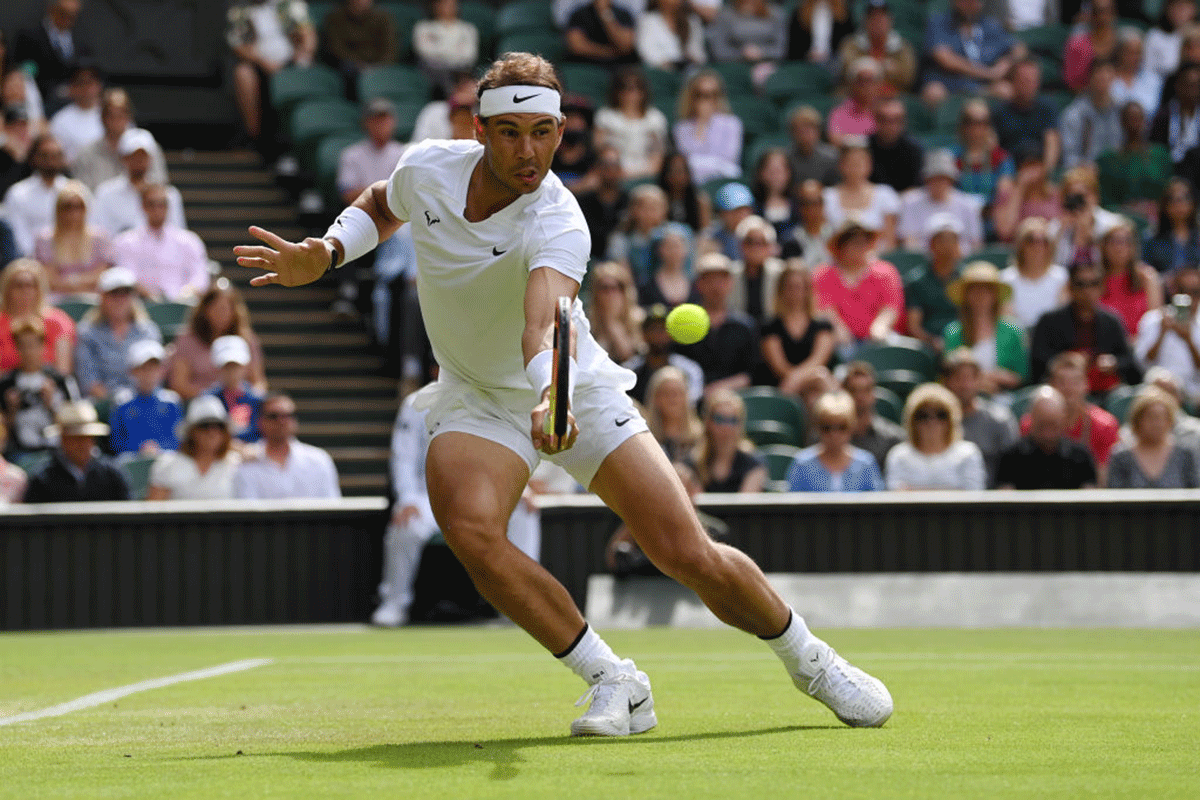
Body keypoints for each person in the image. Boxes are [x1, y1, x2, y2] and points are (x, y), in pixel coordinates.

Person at [235, 52, 893, 734]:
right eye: (513, 132)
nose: (530, 151)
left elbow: (544, 318)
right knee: (471, 530)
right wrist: (329, 250)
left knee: (685, 553)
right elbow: (381, 202)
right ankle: (615, 680)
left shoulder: (559, 218)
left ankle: (810, 659)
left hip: (568, 382)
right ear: (480, 131)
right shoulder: (428, 167)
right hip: (475, 396)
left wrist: (551, 394)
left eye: (544, 132)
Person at [373, 383, 545, 627]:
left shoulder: (493, 397)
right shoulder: (415, 403)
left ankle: (521, 604)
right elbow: (403, 456)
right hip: (427, 497)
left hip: (482, 495)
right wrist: (407, 499)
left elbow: (507, 450)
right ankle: (394, 602)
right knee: (407, 523)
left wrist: (520, 486)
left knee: (524, 511)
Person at [336, 98, 409, 342]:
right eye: (376, 119)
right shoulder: (352, 154)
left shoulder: (405, 153)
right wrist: (383, 193)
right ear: (367, 123)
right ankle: (348, 293)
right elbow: (348, 194)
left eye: (385, 119)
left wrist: (372, 192)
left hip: (395, 222)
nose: (381, 125)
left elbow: (406, 192)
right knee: (345, 227)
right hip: (363, 218)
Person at [1031, 261, 1143, 390]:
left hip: (1104, 393)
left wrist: (1114, 363)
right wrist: (1067, 361)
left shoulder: (1111, 321)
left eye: (1094, 284)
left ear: (1101, 287)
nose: (1087, 290)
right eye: (1081, 284)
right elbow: (1038, 362)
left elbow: (1129, 361)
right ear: (1071, 287)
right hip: (1061, 392)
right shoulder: (1049, 321)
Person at [227, 0, 317, 153]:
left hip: (291, 63)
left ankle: (298, 138)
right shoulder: (240, 10)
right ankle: (255, 138)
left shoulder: (290, 5)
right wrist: (263, 62)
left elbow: (308, 34)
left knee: (306, 67)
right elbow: (238, 45)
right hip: (258, 64)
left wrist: (302, 54)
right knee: (242, 73)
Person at [814, 218, 905, 359]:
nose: (860, 247)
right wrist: (838, 329)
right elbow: (825, 309)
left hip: (878, 338)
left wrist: (880, 327)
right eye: (854, 243)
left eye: (864, 242)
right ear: (841, 246)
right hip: (842, 341)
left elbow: (891, 307)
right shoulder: (823, 275)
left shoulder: (886, 272)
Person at [1022, 350, 1122, 479]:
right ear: (1051, 385)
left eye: (1075, 381)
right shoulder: (1032, 424)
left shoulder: (1105, 425)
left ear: (1086, 384)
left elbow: (1104, 477)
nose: (1068, 388)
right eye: (1061, 382)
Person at [165, 280, 267, 401]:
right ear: (205, 310)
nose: (221, 314)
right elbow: (179, 384)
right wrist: (215, 398)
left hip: (240, 408)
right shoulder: (187, 339)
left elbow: (258, 382)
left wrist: (248, 400)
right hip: (202, 408)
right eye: (216, 308)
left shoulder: (248, 339)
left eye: (225, 308)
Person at [675, 252, 760, 396]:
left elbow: (752, 372)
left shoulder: (745, 326)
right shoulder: (684, 323)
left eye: (721, 280)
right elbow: (676, 364)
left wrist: (721, 388)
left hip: (736, 400)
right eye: (709, 280)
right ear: (699, 284)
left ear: (730, 283)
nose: (716, 286)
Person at [74, 266, 162, 402]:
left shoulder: (148, 331)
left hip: (143, 402)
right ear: (102, 297)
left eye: (125, 293)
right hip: (102, 404)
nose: (120, 299)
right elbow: (89, 381)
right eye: (114, 293)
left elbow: (155, 375)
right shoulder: (87, 332)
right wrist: (118, 404)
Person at [112, 183, 210, 303]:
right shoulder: (125, 242)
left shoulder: (189, 241)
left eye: (162, 204)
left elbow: (200, 278)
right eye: (151, 204)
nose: (157, 209)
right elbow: (126, 278)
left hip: (182, 306)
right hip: (141, 308)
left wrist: (185, 295)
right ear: (143, 206)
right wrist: (152, 297)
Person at [943, 261, 1029, 394]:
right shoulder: (953, 332)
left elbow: (1021, 375)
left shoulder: (1013, 330)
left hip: (1004, 396)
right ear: (966, 295)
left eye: (987, 290)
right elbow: (950, 373)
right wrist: (980, 383)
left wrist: (990, 379)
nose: (981, 295)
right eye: (974, 289)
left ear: (995, 295)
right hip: (963, 396)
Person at [920, 0, 1025, 108]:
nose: (970, 4)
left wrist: (1006, 63)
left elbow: (1019, 49)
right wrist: (989, 73)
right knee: (934, 92)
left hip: (982, 87)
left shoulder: (989, 25)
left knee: (1005, 90)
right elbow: (944, 58)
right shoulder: (939, 22)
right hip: (948, 84)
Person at [233, 393, 340, 498]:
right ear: (260, 421)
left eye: (288, 415)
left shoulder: (318, 460)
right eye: (273, 416)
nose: (281, 421)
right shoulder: (245, 463)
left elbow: (331, 504)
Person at [884, 382, 985, 490]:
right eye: (923, 416)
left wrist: (913, 491)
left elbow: (973, 492)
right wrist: (953, 491)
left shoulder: (968, 453)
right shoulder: (898, 455)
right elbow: (895, 493)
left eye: (941, 415)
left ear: (951, 420)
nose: (932, 422)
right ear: (912, 421)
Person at [941, 347, 1018, 487]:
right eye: (958, 378)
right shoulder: (934, 420)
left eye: (970, 378)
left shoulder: (1000, 420)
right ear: (946, 382)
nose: (965, 385)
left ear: (979, 381)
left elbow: (1011, 473)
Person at [0, 317, 78, 456]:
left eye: (32, 345)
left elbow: (75, 423)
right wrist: (12, 410)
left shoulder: (60, 380)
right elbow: (3, 433)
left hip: (56, 450)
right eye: (22, 345)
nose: (28, 351)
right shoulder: (6, 384)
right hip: (19, 452)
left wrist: (51, 404)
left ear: (43, 346)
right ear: (16, 348)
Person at [996, 385, 1097, 489]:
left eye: (1053, 425)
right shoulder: (1011, 458)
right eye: (1042, 426)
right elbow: (1005, 497)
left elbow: (1089, 498)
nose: (1047, 434)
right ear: (1031, 419)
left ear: (1063, 419)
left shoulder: (1081, 456)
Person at [758, 265, 835, 400]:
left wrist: (795, 380)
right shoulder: (769, 326)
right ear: (781, 290)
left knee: (817, 386)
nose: (795, 292)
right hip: (781, 386)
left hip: (801, 385)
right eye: (790, 287)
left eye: (799, 287)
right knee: (819, 380)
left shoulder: (822, 326)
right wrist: (796, 380)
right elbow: (780, 367)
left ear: (808, 290)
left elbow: (818, 360)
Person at [70, 87, 168, 192]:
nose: (116, 120)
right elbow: (83, 193)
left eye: (121, 114)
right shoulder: (86, 154)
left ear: (129, 116)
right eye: (111, 115)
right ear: (102, 117)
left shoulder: (149, 148)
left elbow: (160, 184)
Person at [92, 129, 186, 236]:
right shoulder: (105, 193)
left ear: (151, 158)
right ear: (123, 158)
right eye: (133, 155)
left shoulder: (170, 195)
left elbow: (178, 235)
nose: (139, 160)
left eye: (143, 155)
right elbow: (97, 233)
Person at [145, 395, 240, 500]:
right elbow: (153, 510)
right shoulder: (167, 464)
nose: (212, 432)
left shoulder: (235, 464)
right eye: (205, 426)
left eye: (219, 426)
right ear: (191, 432)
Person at [787, 389, 884, 491]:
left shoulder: (866, 464)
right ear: (817, 427)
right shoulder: (802, 464)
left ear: (852, 426)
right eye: (826, 427)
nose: (834, 434)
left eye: (842, 427)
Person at [1107, 384, 1200, 487]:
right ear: (1138, 420)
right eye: (1151, 417)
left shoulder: (1185, 455)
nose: (1156, 424)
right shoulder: (1121, 456)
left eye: (1162, 418)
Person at [34, 180, 113, 300]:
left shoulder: (99, 238)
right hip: (56, 299)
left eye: (78, 207)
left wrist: (73, 283)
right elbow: (47, 278)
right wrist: (75, 285)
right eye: (67, 207)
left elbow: (102, 275)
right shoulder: (45, 239)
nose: (73, 212)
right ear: (58, 209)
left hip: (93, 298)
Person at [897, 149, 984, 253]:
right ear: (926, 179)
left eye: (943, 178)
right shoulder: (910, 202)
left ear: (951, 180)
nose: (939, 184)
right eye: (934, 178)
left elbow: (976, 244)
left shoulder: (969, 205)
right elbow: (908, 241)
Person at [108, 339, 183, 458]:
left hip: (166, 460)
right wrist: (141, 448)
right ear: (132, 371)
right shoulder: (122, 404)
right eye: (144, 368)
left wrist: (158, 449)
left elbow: (177, 440)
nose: (150, 374)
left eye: (154, 368)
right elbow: (117, 443)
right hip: (133, 462)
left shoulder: (172, 402)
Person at [822, 137, 900, 251]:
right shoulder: (826, 196)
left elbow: (890, 241)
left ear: (870, 164)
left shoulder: (885, 194)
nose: (855, 167)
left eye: (860, 162)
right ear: (840, 165)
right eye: (850, 162)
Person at [0, 258, 75, 376]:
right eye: (18, 285)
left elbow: (63, 370)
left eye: (30, 285)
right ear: (7, 289)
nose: (25, 290)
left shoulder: (59, 321)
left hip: (49, 386)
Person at [1136, 265, 1200, 402]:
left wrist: (1189, 341)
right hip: (1155, 392)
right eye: (1182, 290)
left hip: (1193, 396)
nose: (1188, 297)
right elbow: (1142, 364)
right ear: (1173, 291)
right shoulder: (1153, 320)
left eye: (1195, 292)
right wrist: (1162, 333)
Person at [13, 0, 92, 112]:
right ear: (51, 9)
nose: (67, 20)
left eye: (72, 15)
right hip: (39, 106)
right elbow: (25, 76)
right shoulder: (29, 36)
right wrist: (61, 91)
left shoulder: (81, 41)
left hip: (75, 109)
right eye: (63, 13)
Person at [1097, 101, 1174, 214]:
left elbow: (1169, 191)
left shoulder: (1161, 155)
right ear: (1122, 122)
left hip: (1157, 216)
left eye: (1138, 119)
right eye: (1130, 119)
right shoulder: (1108, 158)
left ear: (1146, 122)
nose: (1135, 124)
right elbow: (1105, 200)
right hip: (1120, 218)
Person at [593, 68, 668, 182]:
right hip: (611, 172)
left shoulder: (655, 118)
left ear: (643, 91)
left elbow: (657, 160)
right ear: (616, 91)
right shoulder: (605, 116)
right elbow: (599, 150)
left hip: (645, 173)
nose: (630, 92)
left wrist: (632, 174)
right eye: (624, 87)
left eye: (635, 87)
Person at [903, 213, 963, 352]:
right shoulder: (916, 281)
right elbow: (914, 327)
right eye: (942, 240)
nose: (948, 246)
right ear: (931, 244)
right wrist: (932, 342)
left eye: (952, 240)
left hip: (963, 346)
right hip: (928, 348)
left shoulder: (967, 278)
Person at [2, 133, 68, 256]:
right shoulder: (17, 193)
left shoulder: (74, 192)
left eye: (55, 155)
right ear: (34, 158)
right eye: (45, 155)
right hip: (30, 263)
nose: (50, 161)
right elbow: (18, 235)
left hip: (69, 261)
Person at [673, 72, 743, 185]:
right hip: (693, 184)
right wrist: (701, 124)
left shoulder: (732, 123)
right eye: (700, 94)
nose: (707, 100)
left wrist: (698, 162)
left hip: (725, 181)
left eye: (713, 94)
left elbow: (729, 160)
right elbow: (686, 162)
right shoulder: (681, 127)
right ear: (691, 97)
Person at [1000, 217, 1069, 332]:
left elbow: (1063, 316)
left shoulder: (1061, 277)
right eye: (1030, 240)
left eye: (1044, 241)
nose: (1038, 246)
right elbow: (1007, 319)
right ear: (1020, 245)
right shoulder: (1005, 279)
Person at [992, 60, 1061, 172]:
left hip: (1040, 167)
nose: (1029, 85)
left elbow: (1052, 142)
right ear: (1013, 82)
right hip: (1011, 170)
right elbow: (994, 147)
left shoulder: (1047, 107)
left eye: (1033, 81)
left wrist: (1046, 173)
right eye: (1024, 81)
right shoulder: (999, 111)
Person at [837, 0, 917, 98]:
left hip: (892, 98)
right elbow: (848, 72)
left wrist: (866, 67)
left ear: (890, 20)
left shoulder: (903, 46)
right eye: (873, 17)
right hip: (857, 97)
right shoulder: (851, 44)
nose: (877, 21)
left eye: (881, 17)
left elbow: (907, 77)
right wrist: (887, 67)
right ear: (865, 20)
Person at [1098, 217, 1162, 337]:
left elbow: (1155, 321)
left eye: (1125, 242)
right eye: (1113, 241)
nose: (1119, 248)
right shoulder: (1094, 279)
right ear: (1104, 246)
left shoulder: (1147, 277)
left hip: (1141, 345)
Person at [692, 390, 767, 492]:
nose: (726, 427)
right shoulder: (694, 462)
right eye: (719, 419)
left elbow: (745, 505)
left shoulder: (753, 464)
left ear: (740, 425)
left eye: (732, 420)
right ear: (708, 422)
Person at [320, 0, 397, 95]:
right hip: (349, 66)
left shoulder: (383, 17)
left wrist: (377, 67)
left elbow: (390, 49)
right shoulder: (335, 17)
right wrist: (360, 66)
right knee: (348, 68)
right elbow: (336, 49)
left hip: (378, 64)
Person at [951, 98, 1014, 214]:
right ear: (963, 126)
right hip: (959, 218)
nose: (977, 128)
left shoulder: (1001, 158)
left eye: (983, 122)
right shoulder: (952, 157)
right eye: (970, 122)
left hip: (992, 218)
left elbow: (1005, 193)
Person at [992, 138, 1062, 243]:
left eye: (1036, 165)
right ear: (1019, 169)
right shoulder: (1006, 194)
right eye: (1028, 166)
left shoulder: (1056, 194)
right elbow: (1005, 231)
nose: (1032, 172)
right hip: (1015, 252)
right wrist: (1020, 188)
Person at [840, 360, 905, 470]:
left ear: (874, 394)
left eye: (866, 390)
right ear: (844, 393)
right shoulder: (829, 433)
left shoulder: (894, 439)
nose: (860, 396)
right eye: (853, 390)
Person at [1059, 59, 1122, 171]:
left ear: (1114, 77)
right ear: (1090, 79)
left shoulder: (1121, 111)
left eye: (1107, 72)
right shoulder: (1073, 114)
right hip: (1084, 174)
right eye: (1098, 73)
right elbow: (1069, 158)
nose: (1103, 77)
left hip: (1117, 173)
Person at [207, 334, 264, 445]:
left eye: (236, 366)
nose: (232, 371)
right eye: (226, 366)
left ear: (245, 366)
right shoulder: (207, 399)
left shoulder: (258, 399)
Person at [607, 182, 669, 284]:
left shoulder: (675, 236)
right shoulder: (620, 239)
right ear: (633, 210)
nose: (650, 212)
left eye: (655, 207)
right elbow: (623, 274)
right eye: (645, 207)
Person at [412, 0, 478, 95]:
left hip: (460, 68)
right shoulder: (424, 27)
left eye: (451, 5)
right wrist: (454, 51)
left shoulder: (468, 29)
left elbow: (469, 55)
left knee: (469, 75)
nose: (448, 8)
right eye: (444, 4)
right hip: (433, 69)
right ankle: (451, 97)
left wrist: (441, 49)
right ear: (436, 6)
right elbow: (425, 52)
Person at [577, 147, 629, 261]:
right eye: (605, 165)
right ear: (596, 169)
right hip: (589, 258)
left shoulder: (629, 201)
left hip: (621, 260)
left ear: (620, 169)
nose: (610, 170)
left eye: (614, 165)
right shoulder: (583, 201)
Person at [587, 261, 644, 364]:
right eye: (604, 288)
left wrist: (611, 320)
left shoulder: (639, 320)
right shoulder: (587, 322)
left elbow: (627, 356)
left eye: (616, 287)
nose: (610, 294)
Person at [644, 363, 704, 462]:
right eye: (666, 393)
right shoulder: (645, 438)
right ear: (655, 398)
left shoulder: (700, 437)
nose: (673, 400)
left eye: (677, 393)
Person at [1142, 177, 1200, 274]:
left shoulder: (1198, 236)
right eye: (1172, 199)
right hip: (1163, 287)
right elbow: (1145, 272)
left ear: (1193, 202)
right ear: (1165, 205)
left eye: (1185, 198)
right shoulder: (1151, 239)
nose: (1179, 204)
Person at [47, 63, 102, 163]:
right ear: (72, 87)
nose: (86, 88)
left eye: (90, 82)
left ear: (98, 85)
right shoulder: (60, 120)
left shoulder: (112, 115)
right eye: (81, 83)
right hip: (72, 175)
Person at [638, 222, 699, 309]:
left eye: (677, 246)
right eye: (669, 246)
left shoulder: (696, 283)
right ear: (659, 250)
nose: (673, 251)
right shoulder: (646, 284)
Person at [868, 99, 924, 194]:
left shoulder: (914, 149)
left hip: (905, 201)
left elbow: (916, 187)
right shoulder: (865, 148)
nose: (890, 126)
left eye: (896, 120)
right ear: (876, 120)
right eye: (884, 120)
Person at [708, 0, 788, 65]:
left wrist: (762, 52)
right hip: (733, 64)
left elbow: (780, 49)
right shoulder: (725, 15)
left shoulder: (776, 14)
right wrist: (741, 54)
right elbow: (719, 50)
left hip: (769, 64)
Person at [1063, 0, 1119, 92]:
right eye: (1097, 12)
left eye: (1106, 12)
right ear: (1091, 15)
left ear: (1114, 14)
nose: (1102, 17)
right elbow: (1072, 83)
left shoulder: (1121, 42)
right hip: (1086, 98)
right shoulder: (1076, 45)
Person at [1149, 62, 1200, 163]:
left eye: (1195, 86)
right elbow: (1156, 149)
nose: (1191, 90)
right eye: (1188, 85)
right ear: (1178, 85)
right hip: (1170, 168)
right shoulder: (1163, 116)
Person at [1110, 27, 1163, 123]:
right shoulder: (1108, 79)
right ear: (1119, 52)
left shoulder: (1153, 80)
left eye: (1138, 53)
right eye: (1129, 52)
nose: (1134, 58)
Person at [636, 0, 707, 70]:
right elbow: (647, 54)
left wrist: (691, 59)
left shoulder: (692, 21)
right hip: (660, 72)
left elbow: (699, 55)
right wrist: (668, 65)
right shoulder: (647, 20)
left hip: (689, 71)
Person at [827, 58, 882, 147]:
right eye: (861, 81)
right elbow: (835, 140)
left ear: (878, 84)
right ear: (853, 84)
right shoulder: (839, 113)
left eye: (870, 80)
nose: (866, 85)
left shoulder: (885, 111)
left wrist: (851, 139)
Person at [565, 0, 638, 66]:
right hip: (587, 65)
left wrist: (604, 12)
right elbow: (576, 46)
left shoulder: (623, 14)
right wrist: (611, 53)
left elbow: (625, 45)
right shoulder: (580, 14)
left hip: (620, 67)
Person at [750, 149, 799, 245]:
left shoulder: (799, 204)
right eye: (771, 170)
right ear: (761, 173)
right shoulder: (752, 206)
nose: (775, 176)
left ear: (789, 173)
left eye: (779, 171)